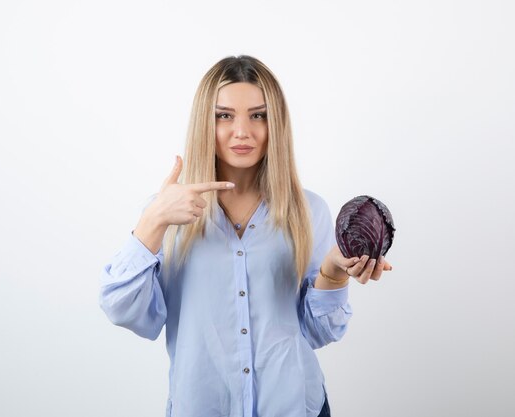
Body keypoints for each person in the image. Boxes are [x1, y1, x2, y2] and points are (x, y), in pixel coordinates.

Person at [99, 55, 392, 417]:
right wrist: (154, 220)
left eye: (258, 115)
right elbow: (126, 312)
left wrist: (333, 273)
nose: (242, 132)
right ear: (204, 123)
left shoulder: (309, 210)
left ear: (276, 124)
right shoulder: (167, 213)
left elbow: (317, 333)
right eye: (224, 115)